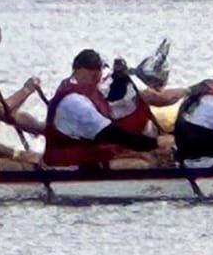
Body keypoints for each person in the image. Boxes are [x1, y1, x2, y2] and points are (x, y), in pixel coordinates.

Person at [41, 49, 171, 170]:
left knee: (145, 155)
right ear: (77, 70)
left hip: (88, 155)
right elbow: (112, 134)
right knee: (142, 164)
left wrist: (119, 78)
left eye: (99, 71)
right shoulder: (74, 102)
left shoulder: (87, 90)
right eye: (94, 73)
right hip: (67, 164)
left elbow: (113, 101)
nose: (98, 77)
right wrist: (155, 143)